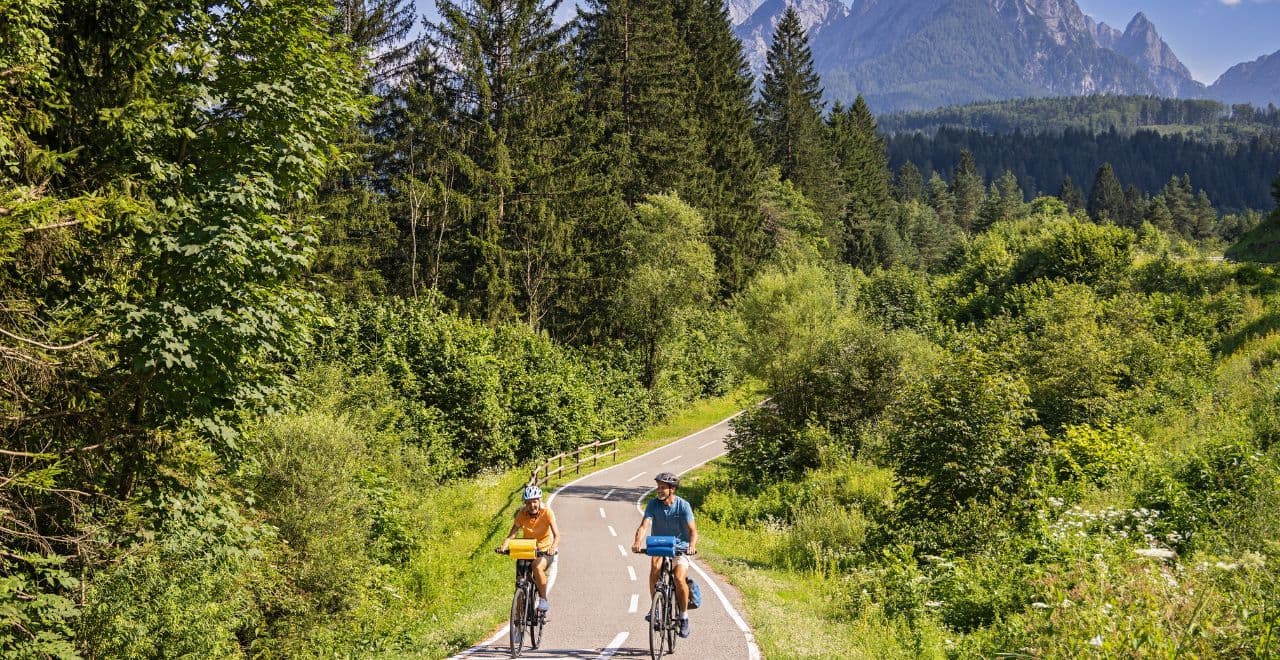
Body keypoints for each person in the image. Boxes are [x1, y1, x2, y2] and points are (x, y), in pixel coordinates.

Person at [631, 471, 697, 638]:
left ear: (672, 489)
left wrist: (691, 546)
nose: (658, 490)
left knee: (679, 577)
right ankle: (656, 610)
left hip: (680, 547)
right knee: (654, 568)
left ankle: (683, 617)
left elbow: (693, 531)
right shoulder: (653, 504)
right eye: (658, 487)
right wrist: (638, 542)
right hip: (660, 545)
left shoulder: (683, 506)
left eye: (662, 488)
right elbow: (644, 526)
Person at [497, 485, 561, 612]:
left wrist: (553, 547)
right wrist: (504, 546)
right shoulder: (522, 515)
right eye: (529, 502)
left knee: (536, 567)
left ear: (539, 501)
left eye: (535, 501)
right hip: (527, 549)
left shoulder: (547, 513)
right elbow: (512, 534)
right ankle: (520, 606)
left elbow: (557, 535)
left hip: (544, 550)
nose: (532, 505)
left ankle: (543, 599)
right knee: (520, 578)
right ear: (525, 503)